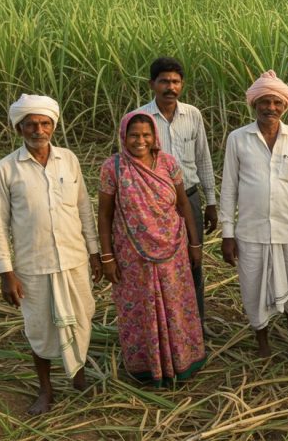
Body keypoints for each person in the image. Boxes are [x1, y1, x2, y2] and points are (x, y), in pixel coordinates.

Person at [0, 94, 100, 415]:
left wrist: (94, 253)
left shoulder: (69, 159)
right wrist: (5, 272)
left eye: (45, 123)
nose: (39, 130)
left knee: (81, 319)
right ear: (19, 128)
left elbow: (84, 210)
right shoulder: (6, 169)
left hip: (74, 260)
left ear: (53, 125)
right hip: (32, 266)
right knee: (39, 327)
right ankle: (46, 390)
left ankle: (78, 378)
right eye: (31, 124)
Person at [97, 111, 207, 385]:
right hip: (132, 255)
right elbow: (104, 215)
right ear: (124, 136)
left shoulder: (168, 164)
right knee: (140, 308)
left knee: (176, 304)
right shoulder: (113, 168)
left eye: (146, 134)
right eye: (134, 135)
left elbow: (183, 205)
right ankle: (148, 368)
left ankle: (183, 362)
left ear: (154, 136)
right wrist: (107, 256)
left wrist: (195, 244)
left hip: (173, 250)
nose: (140, 140)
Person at [220, 71, 288, 363]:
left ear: (285, 106)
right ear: (254, 105)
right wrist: (227, 234)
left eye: (276, 102)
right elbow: (229, 187)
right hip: (251, 232)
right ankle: (262, 343)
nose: (270, 108)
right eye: (264, 102)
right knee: (252, 289)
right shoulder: (238, 139)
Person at [139, 57, 217, 335]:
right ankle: (168, 324)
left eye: (175, 82)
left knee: (194, 258)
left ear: (182, 85)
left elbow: (203, 159)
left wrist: (211, 202)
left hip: (191, 197)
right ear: (152, 84)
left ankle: (197, 322)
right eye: (164, 81)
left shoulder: (192, 115)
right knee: (161, 264)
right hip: (155, 204)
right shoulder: (141, 119)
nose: (170, 87)